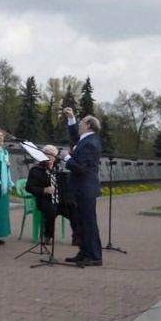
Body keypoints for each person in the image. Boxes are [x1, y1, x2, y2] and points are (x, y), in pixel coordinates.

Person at [60, 107, 103, 267]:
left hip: (85, 188)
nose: (79, 123)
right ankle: (84, 252)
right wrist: (71, 118)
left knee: (88, 221)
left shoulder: (90, 143)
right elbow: (75, 138)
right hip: (80, 187)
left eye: (82, 121)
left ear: (89, 125)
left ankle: (94, 256)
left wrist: (67, 158)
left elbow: (81, 167)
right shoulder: (86, 140)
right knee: (80, 221)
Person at [25, 145, 59, 245]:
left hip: (59, 199)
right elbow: (29, 187)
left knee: (74, 208)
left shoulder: (59, 169)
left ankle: (77, 237)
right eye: (47, 154)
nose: (49, 157)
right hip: (44, 199)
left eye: (52, 155)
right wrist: (44, 190)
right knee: (51, 210)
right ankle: (48, 236)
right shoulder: (36, 169)